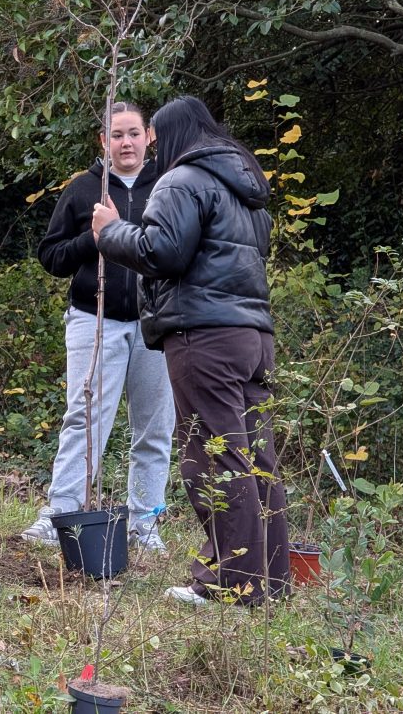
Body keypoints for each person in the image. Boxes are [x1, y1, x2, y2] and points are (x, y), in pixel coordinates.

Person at [92, 95, 290, 606]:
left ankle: (232, 585)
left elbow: (163, 252)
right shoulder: (244, 191)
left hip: (205, 337)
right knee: (256, 456)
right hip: (253, 337)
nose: (151, 148)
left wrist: (110, 233)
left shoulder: (183, 181)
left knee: (214, 456)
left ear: (172, 134)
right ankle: (270, 580)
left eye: (154, 136)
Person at [21, 102, 175, 551]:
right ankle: (60, 516)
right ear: (102, 141)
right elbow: (50, 257)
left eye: (133, 133)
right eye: (116, 135)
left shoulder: (169, 186)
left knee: (155, 428)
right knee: (84, 420)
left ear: (149, 136)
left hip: (155, 324)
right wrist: (93, 239)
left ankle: (146, 526)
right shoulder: (83, 189)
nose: (125, 143)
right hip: (94, 319)